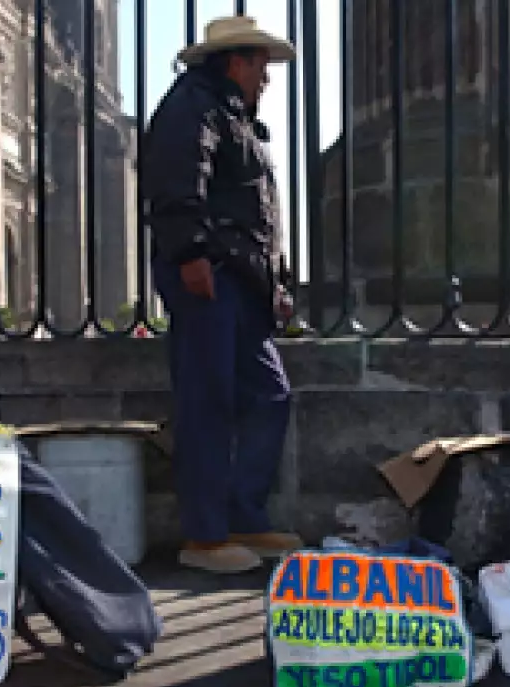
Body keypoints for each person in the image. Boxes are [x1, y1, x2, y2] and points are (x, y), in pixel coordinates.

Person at [142, 16, 303, 574]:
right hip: (209, 275)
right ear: (236, 61)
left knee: (269, 394)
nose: (267, 78)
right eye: (262, 65)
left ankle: (242, 517)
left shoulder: (231, 115)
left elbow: (256, 213)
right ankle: (205, 535)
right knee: (206, 403)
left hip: (238, 280)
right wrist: (189, 255)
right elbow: (175, 180)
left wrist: (276, 284)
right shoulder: (194, 105)